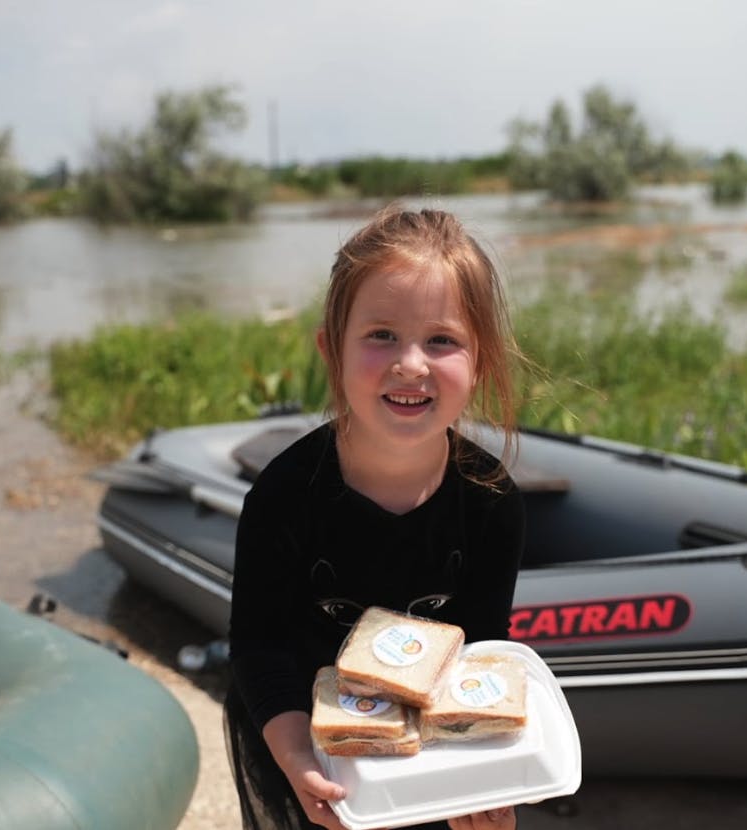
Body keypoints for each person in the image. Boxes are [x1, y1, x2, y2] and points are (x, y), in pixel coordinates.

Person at [225, 205, 526, 830]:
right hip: (304, 745)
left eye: (441, 339)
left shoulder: (493, 503)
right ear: (330, 350)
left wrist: (485, 778)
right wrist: (296, 755)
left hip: (425, 758)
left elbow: (483, 653)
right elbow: (258, 649)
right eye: (381, 333)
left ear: (481, 359)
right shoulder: (281, 497)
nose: (410, 363)